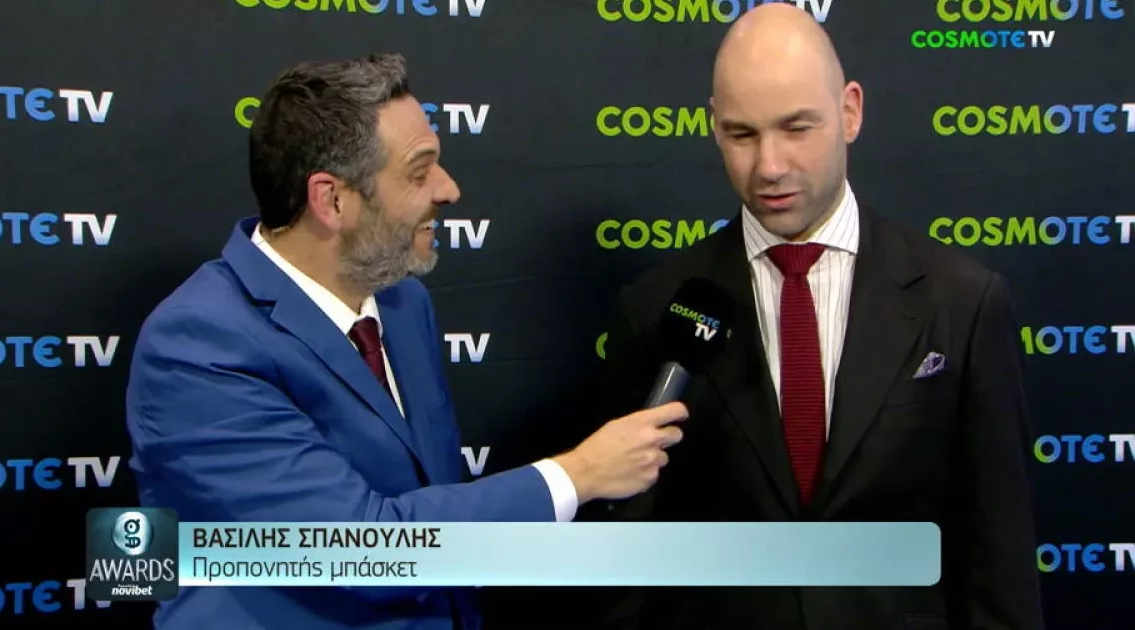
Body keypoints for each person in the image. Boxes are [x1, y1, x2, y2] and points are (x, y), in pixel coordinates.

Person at [123, 54, 688, 630]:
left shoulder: (401, 301)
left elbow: (430, 497)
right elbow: (353, 552)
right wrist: (577, 475)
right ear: (332, 200)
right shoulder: (198, 345)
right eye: (419, 173)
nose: (449, 189)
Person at [583, 4, 1044, 629]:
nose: (769, 166)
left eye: (796, 128)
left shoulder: (961, 301)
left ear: (850, 112)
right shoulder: (655, 310)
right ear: (714, 126)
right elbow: (630, 564)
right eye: (742, 135)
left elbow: (998, 558)